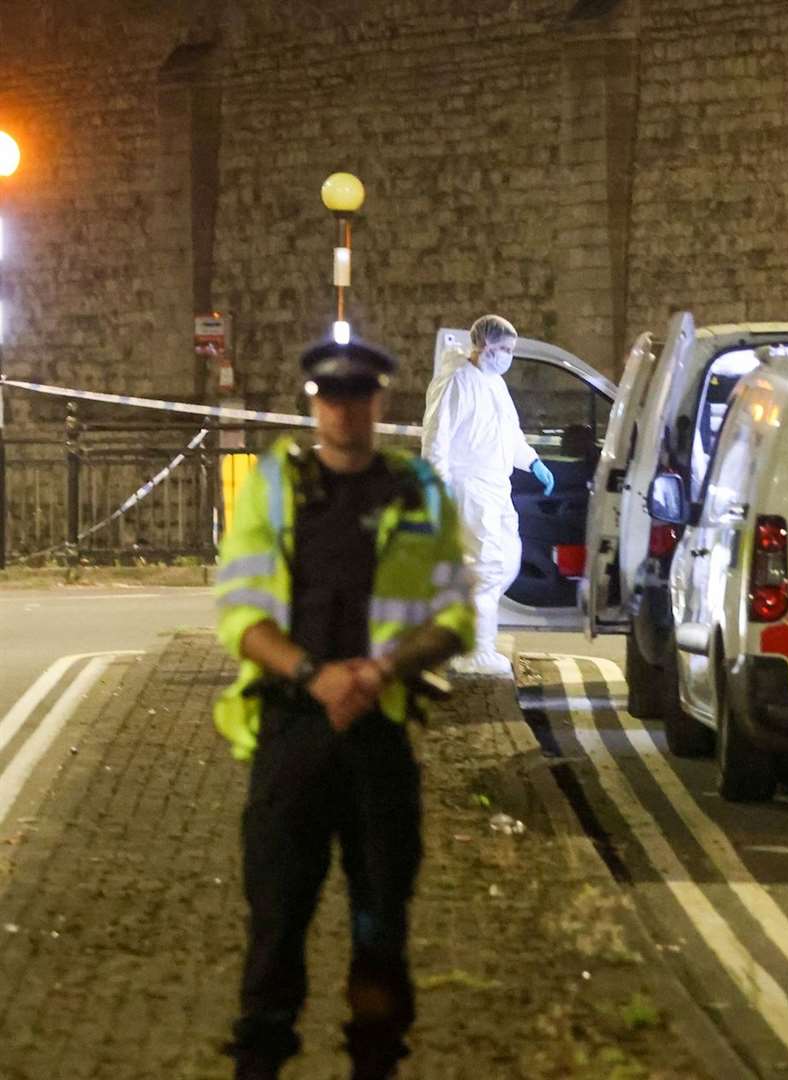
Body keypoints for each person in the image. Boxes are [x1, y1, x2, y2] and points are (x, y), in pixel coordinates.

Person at [212, 339, 474, 1080]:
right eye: (331, 398)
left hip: (380, 737)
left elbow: (454, 617)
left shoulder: (418, 489)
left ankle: (376, 1063)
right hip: (291, 733)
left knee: (381, 925)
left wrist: (381, 669)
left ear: (379, 403)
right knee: (276, 923)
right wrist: (316, 675)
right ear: (313, 403)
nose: (345, 411)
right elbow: (239, 614)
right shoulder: (274, 487)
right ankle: (259, 1059)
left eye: (358, 398)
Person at [420, 314, 553, 675]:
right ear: (484, 345)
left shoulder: (493, 383)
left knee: (506, 558)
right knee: (486, 565)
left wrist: (533, 461)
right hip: (468, 487)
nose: (509, 356)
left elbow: (509, 435)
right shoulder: (457, 381)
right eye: (504, 349)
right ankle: (475, 651)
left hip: (495, 486)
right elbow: (437, 440)